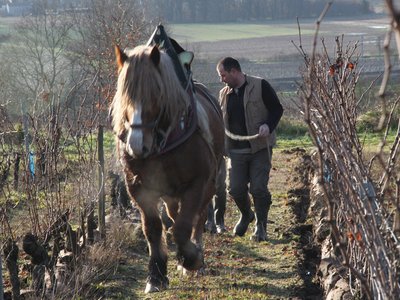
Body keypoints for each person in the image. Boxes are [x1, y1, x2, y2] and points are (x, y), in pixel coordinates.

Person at [216, 57, 283, 242]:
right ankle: (246, 215)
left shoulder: (261, 85)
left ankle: (261, 226)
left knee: (258, 188)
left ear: (234, 71)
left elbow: (277, 109)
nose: (222, 79)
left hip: (259, 148)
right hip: (235, 152)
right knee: (235, 189)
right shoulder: (223, 94)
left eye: (223, 75)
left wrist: (268, 126)